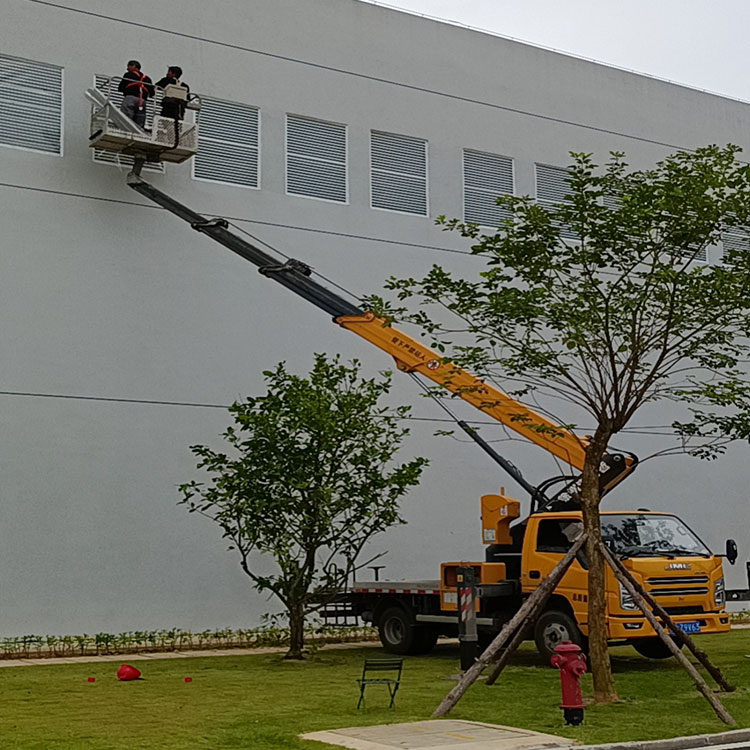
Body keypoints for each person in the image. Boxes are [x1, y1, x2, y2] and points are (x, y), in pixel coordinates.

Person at [118, 60, 154, 128]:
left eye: (128, 66)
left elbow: (121, 88)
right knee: (140, 119)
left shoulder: (128, 75)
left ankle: (126, 128)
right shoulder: (147, 79)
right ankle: (138, 130)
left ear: (134, 66)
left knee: (126, 117)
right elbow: (152, 93)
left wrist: (125, 91)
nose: (127, 69)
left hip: (130, 98)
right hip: (142, 101)